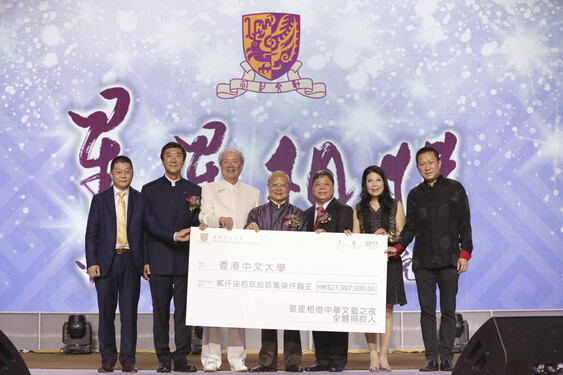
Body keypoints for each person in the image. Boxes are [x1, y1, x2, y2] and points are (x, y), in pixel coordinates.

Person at [85, 155, 191, 373]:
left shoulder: (140, 199)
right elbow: (91, 234)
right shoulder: (100, 199)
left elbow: (152, 227)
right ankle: (107, 359)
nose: (123, 175)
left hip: (131, 262)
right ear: (111, 174)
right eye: (119, 171)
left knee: (129, 314)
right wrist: (92, 262)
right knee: (106, 314)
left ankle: (127, 360)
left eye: (128, 171)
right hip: (105, 264)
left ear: (132, 173)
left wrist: (173, 235)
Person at [389, 147, 472, 372]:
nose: (427, 167)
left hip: (449, 260)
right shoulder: (414, 194)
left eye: (430, 162)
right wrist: (397, 247)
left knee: (448, 310)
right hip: (423, 262)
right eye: (422, 164)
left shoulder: (455, 189)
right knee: (426, 311)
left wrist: (465, 253)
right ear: (417, 168)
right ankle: (430, 358)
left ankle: (446, 358)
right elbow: (410, 228)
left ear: (439, 163)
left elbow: (465, 224)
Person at [198, 147, 262, 372]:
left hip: (243, 257)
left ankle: (237, 358)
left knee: (238, 308)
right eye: (226, 161)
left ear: (242, 165)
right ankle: (211, 358)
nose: (231, 164)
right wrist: (218, 220)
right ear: (220, 165)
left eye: (235, 161)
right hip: (215, 255)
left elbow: (258, 220)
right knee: (212, 308)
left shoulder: (253, 192)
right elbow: (203, 215)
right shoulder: (209, 188)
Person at [142, 142, 202, 373]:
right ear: (162, 160)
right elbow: (147, 226)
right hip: (158, 259)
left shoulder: (195, 190)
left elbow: (197, 221)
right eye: (169, 156)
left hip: (186, 259)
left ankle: (181, 357)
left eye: (178, 155)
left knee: (184, 312)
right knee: (160, 312)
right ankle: (163, 358)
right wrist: (145, 259)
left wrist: (201, 226)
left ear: (184, 160)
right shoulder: (149, 189)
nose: (174, 159)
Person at [246, 171, 307, 373]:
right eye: (275, 185)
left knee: (291, 317)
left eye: (283, 185)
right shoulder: (256, 213)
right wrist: (248, 228)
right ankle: (266, 362)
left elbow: (306, 245)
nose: (279, 188)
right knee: (267, 317)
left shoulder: (299, 214)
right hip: (265, 272)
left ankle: (292, 362)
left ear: (289, 189)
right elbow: (247, 242)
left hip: (291, 273)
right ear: (268, 187)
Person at [351, 166, 406, 372]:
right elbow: (355, 239)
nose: (374, 185)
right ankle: (372, 355)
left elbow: (403, 236)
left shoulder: (395, 205)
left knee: (387, 310)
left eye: (378, 180)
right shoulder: (358, 208)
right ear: (365, 185)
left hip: (389, 263)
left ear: (384, 182)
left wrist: (389, 235)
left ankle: (384, 355)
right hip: (366, 265)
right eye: (370, 181)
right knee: (369, 310)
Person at [303, 170, 353, 373]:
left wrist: (327, 237)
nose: (322, 187)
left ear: (333, 187)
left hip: (336, 272)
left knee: (336, 315)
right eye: (317, 184)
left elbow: (345, 239)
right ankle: (321, 359)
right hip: (313, 272)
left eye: (326, 184)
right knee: (318, 315)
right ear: (312, 188)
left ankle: (337, 359)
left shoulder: (344, 210)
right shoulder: (305, 214)